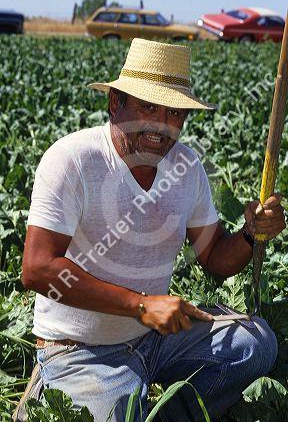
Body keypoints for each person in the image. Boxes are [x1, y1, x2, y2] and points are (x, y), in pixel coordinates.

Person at [21, 38, 285, 422]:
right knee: (114, 414)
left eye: (175, 112)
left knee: (257, 343)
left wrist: (250, 233)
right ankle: (64, 388)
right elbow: (38, 268)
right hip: (79, 347)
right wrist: (141, 305)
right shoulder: (72, 160)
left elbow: (214, 258)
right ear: (116, 104)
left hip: (155, 340)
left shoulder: (187, 167)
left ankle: (155, 411)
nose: (162, 125)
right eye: (148, 107)